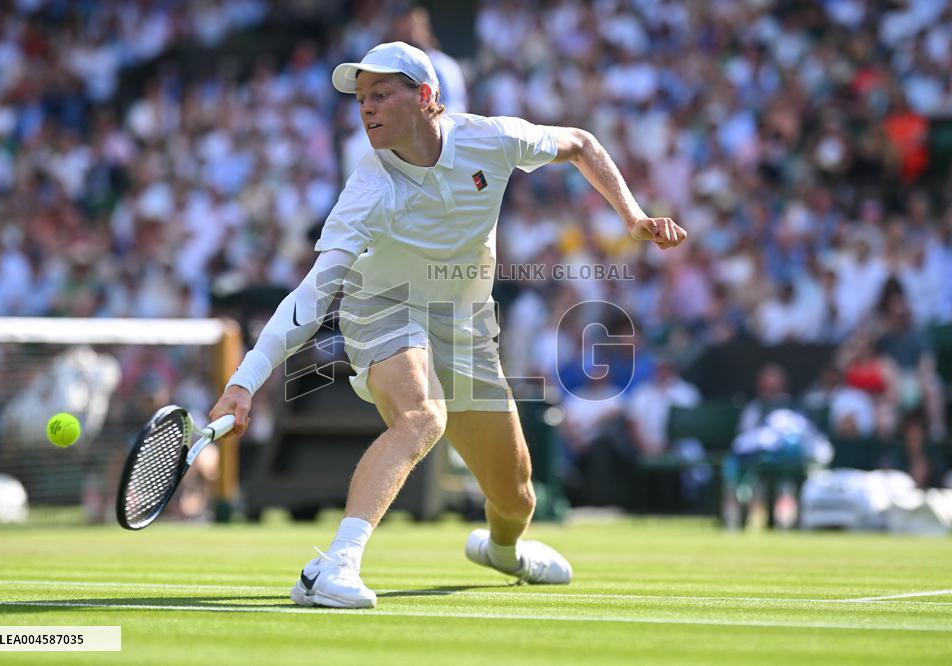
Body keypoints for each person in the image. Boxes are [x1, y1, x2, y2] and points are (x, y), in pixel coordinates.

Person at [209, 42, 687, 608]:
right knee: (421, 416)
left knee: (517, 498)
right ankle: (330, 566)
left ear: (427, 97)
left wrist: (632, 217)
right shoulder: (368, 187)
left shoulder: (492, 138)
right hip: (381, 308)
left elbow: (581, 143)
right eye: (361, 99)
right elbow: (313, 294)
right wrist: (242, 382)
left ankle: (503, 551)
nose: (367, 108)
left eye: (382, 94)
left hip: (463, 324)